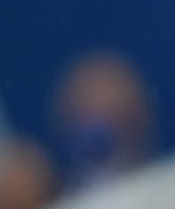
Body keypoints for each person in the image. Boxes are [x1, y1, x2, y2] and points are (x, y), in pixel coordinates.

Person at [50, 51, 155, 192]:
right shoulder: (60, 207)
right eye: (85, 111)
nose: (97, 126)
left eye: (117, 117)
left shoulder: (168, 190)